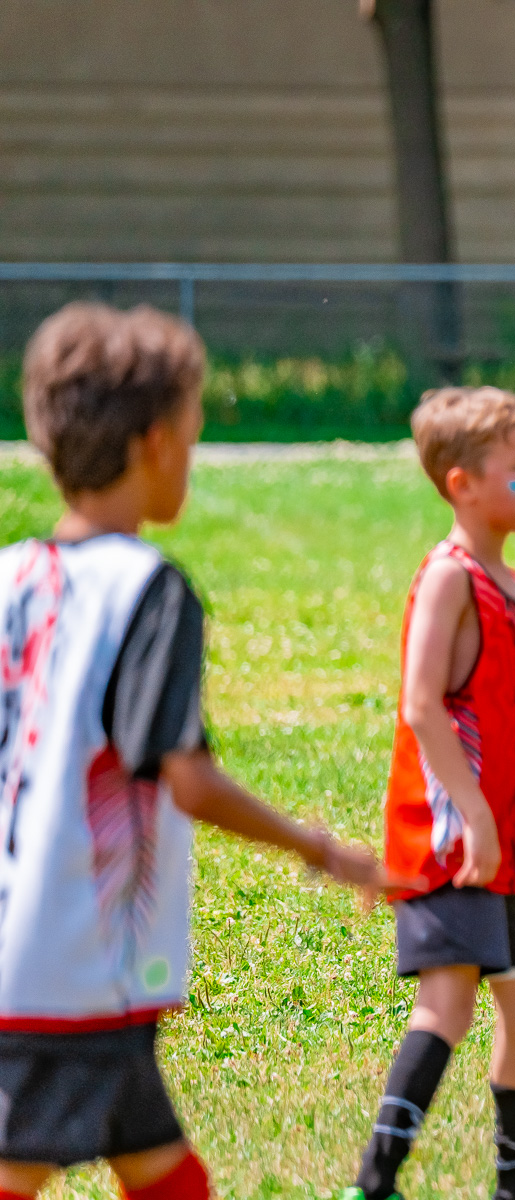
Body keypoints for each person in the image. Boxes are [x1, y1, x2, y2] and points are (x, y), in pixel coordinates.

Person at [0, 302, 397, 1200]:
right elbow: (184, 774)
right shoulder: (148, 590)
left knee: (159, 1166)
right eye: (192, 434)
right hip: (68, 959)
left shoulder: (11, 576)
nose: (194, 453)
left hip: (33, 945)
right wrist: (322, 850)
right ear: (150, 445)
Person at [345, 387, 515, 1200]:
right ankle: (376, 1179)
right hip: (452, 836)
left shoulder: (506, 578)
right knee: (448, 1005)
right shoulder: (451, 578)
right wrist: (472, 816)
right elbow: (421, 705)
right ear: (460, 483)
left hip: (498, 837)